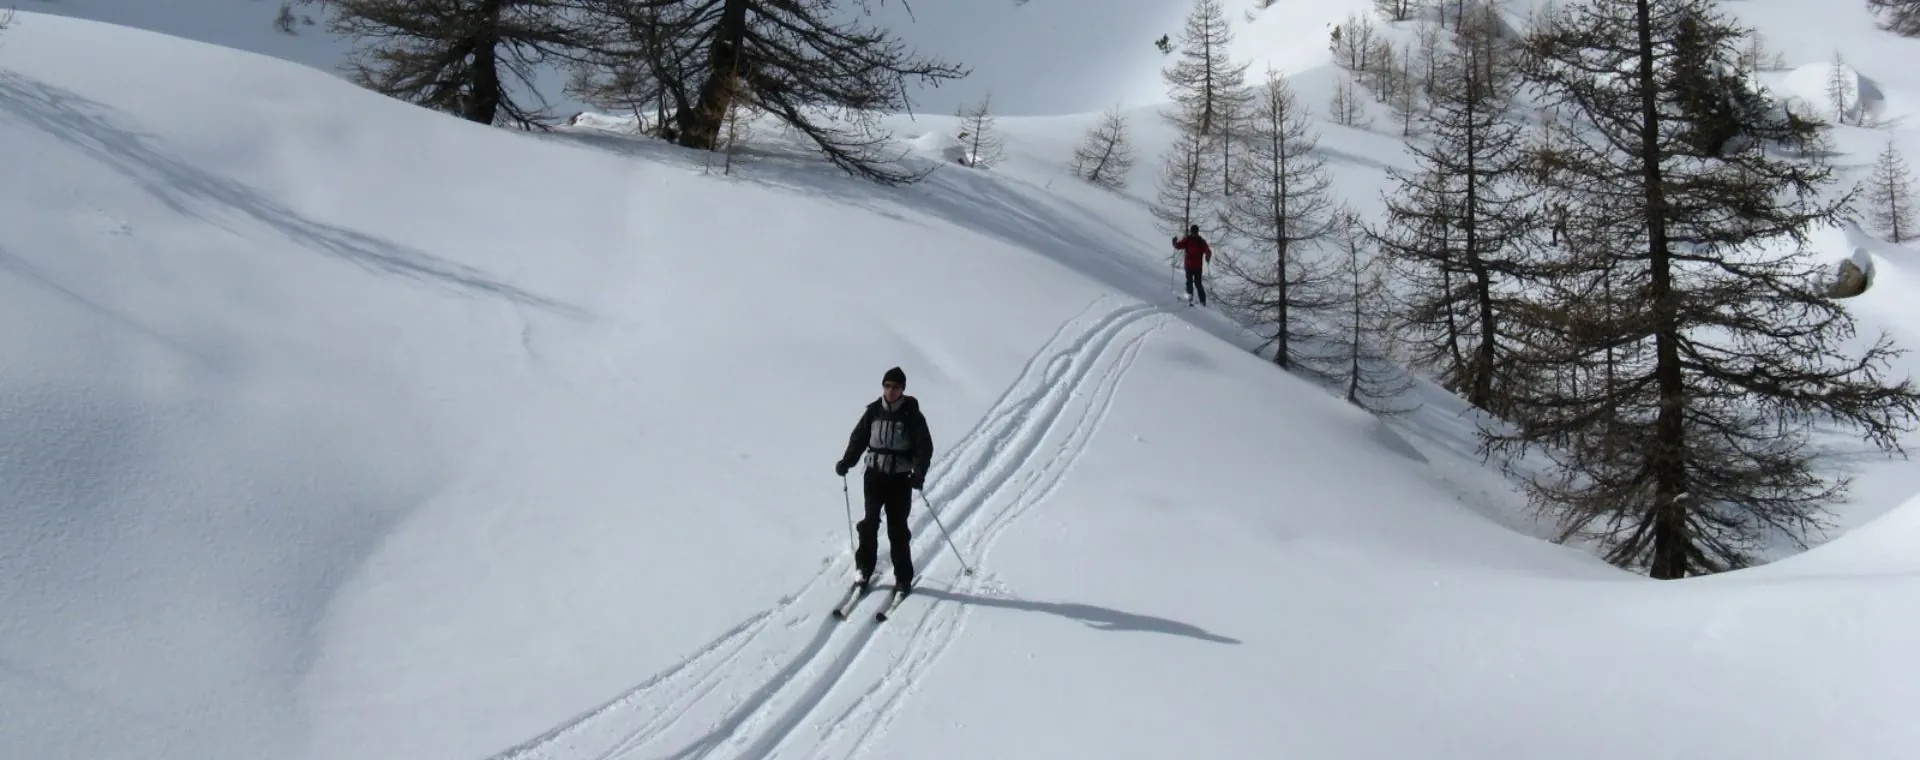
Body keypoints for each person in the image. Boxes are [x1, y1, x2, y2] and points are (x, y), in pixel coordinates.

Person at [835, 366, 934, 593]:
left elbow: (924, 448)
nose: (890, 391)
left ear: (902, 389)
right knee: (869, 524)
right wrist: (847, 462)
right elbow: (859, 438)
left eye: (895, 387)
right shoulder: (874, 412)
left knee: (897, 529)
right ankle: (863, 571)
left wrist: (919, 473)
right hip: (874, 476)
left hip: (900, 480)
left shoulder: (912, 416)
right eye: (887, 386)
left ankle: (903, 577)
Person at [1172, 224, 1212, 307]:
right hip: (1189, 266)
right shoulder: (1188, 239)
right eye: (1193, 232)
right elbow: (1179, 246)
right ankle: (1190, 300)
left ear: (1197, 232)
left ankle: (1202, 301)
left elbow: (1207, 250)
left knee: (1197, 283)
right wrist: (1175, 243)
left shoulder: (1200, 241)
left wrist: (1208, 255)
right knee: (1189, 283)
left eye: (1195, 232)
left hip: (1197, 266)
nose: (1194, 234)